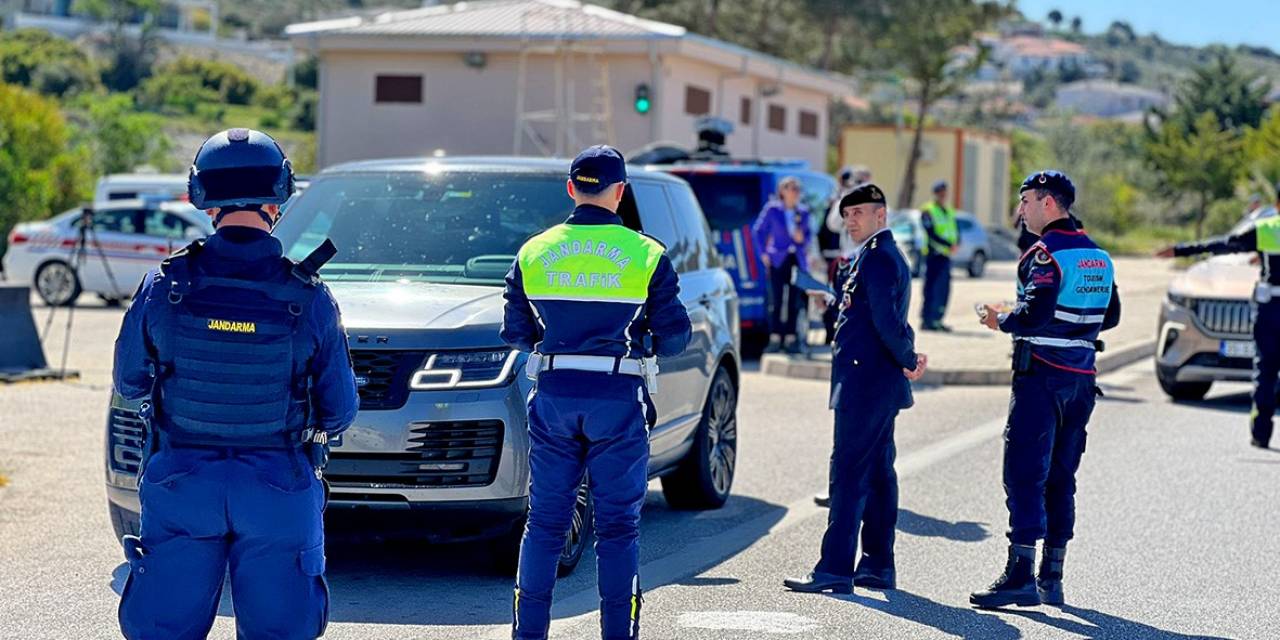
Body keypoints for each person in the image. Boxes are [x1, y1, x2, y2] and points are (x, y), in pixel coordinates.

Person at [113, 128, 358, 639]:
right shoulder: (310, 296)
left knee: (162, 630)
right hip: (277, 486)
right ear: (279, 196)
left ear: (203, 196)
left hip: (181, 482)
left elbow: (129, 383)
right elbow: (339, 410)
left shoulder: (164, 285)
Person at [501, 145, 692, 640]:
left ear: (571, 188)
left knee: (545, 524)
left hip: (554, 396)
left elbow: (517, 333)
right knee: (617, 528)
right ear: (620, 192)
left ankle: (528, 634)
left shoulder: (533, 251)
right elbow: (675, 339)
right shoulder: (646, 254)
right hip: (618, 398)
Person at [971, 170, 1120, 609]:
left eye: (1026, 201)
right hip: (1081, 379)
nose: (1020, 210)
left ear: (1048, 203)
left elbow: (1032, 315)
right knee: (1061, 476)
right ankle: (1051, 578)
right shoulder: (1098, 255)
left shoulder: (1044, 254)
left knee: (1024, 473)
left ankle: (1020, 575)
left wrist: (1000, 318)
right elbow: (1111, 316)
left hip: (1042, 376)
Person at [783, 183, 928, 595]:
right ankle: (878, 565)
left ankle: (834, 568)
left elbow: (887, 322)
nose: (850, 220)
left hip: (866, 384)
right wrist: (831, 304)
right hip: (872, 382)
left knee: (847, 475)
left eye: (858, 212)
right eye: (846, 214)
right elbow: (868, 316)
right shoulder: (873, 255)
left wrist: (909, 359)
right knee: (878, 475)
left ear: (881, 215)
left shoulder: (879, 257)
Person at [1156, 190, 1280, 449]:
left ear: (1277, 204)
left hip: (1270, 309)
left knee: (1266, 371)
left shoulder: (1267, 229)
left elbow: (1223, 244)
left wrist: (1180, 249)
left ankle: (1261, 433)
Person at [752, 176, 812, 353]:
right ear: (782, 191)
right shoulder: (773, 209)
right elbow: (758, 231)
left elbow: (809, 235)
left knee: (794, 300)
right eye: (790, 188)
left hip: (797, 259)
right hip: (778, 259)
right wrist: (763, 253)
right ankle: (776, 337)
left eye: (797, 189)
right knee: (777, 300)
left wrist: (803, 240)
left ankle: (791, 338)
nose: (794, 192)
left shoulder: (803, 212)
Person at [920, 180, 958, 331]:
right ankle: (927, 320)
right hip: (933, 255)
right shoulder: (928, 210)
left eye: (944, 193)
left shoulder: (948, 210)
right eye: (940, 193)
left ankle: (938, 319)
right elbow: (930, 233)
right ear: (935, 194)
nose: (943, 196)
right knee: (931, 289)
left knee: (943, 290)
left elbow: (954, 229)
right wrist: (948, 244)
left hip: (945, 256)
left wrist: (956, 242)